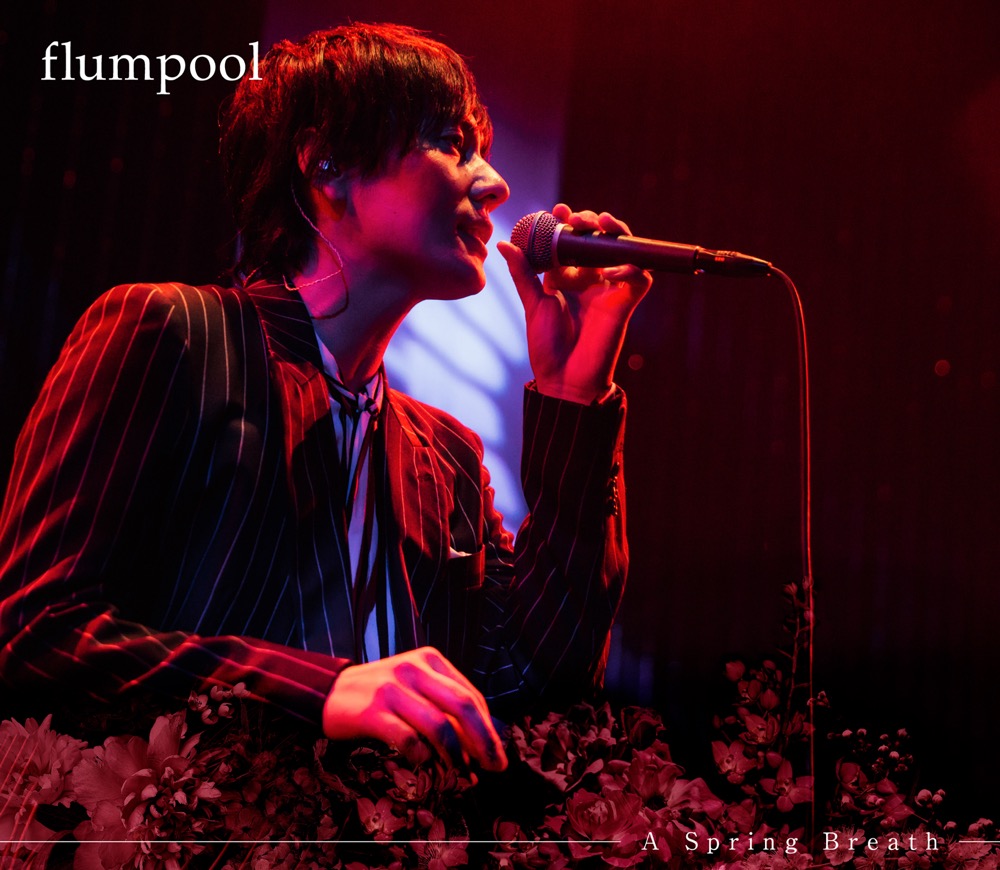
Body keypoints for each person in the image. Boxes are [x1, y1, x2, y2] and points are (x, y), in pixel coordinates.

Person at [0, 23, 650, 772]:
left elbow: (536, 688)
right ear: (327, 164)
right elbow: (39, 631)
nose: (494, 183)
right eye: (453, 142)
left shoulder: (447, 456)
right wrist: (318, 690)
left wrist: (573, 394)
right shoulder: (174, 333)